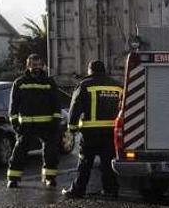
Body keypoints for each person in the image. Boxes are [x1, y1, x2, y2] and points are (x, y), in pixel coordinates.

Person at [62, 60, 123, 199]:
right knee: (108, 163)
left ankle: (78, 191)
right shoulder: (118, 86)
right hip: (111, 133)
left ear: (90, 70)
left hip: (91, 133)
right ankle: (111, 191)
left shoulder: (84, 85)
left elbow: (75, 108)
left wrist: (72, 128)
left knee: (85, 163)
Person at [7, 54, 62, 188]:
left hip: (47, 124)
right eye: (33, 65)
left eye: (38, 65)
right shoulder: (20, 82)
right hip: (26, 125)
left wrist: (55, 122)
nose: (36, 68)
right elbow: (13, 106)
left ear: (43, 66)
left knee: (51, 153)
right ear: (28, 65)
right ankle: (13, 178)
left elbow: (56, 104)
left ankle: (49, 177)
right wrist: (15, 124)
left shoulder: (49, 82)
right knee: (19, 152)